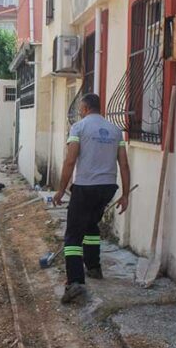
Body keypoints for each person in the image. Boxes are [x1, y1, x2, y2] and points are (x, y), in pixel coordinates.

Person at [52, 93, 131, 304]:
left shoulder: (79, 128)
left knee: (73, 236)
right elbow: (124, 164)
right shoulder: (115, 131)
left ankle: (75, 283)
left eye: (80, 108)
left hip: (86, 187)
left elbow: (70, 161)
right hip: (107, 188)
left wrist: (60, 190)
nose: (79, 111)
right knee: (91, 227)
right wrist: (125, 195)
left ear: (85, 108)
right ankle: (94, 267)